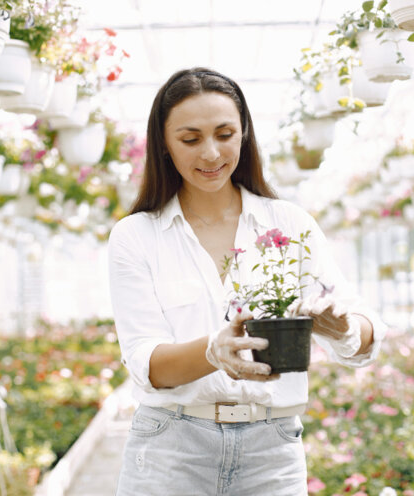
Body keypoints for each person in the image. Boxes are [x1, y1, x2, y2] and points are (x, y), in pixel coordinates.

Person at [108, 67, 386, 495]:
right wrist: (212, 351)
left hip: (270, 452)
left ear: (244, 134)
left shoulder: (288, 223)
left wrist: (347, 328)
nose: (211, 153)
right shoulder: (137, 236)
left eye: (224, 134)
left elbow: (363, 328)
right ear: (163, 144)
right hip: (171, 451)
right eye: (190, 138)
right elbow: (147, 363)